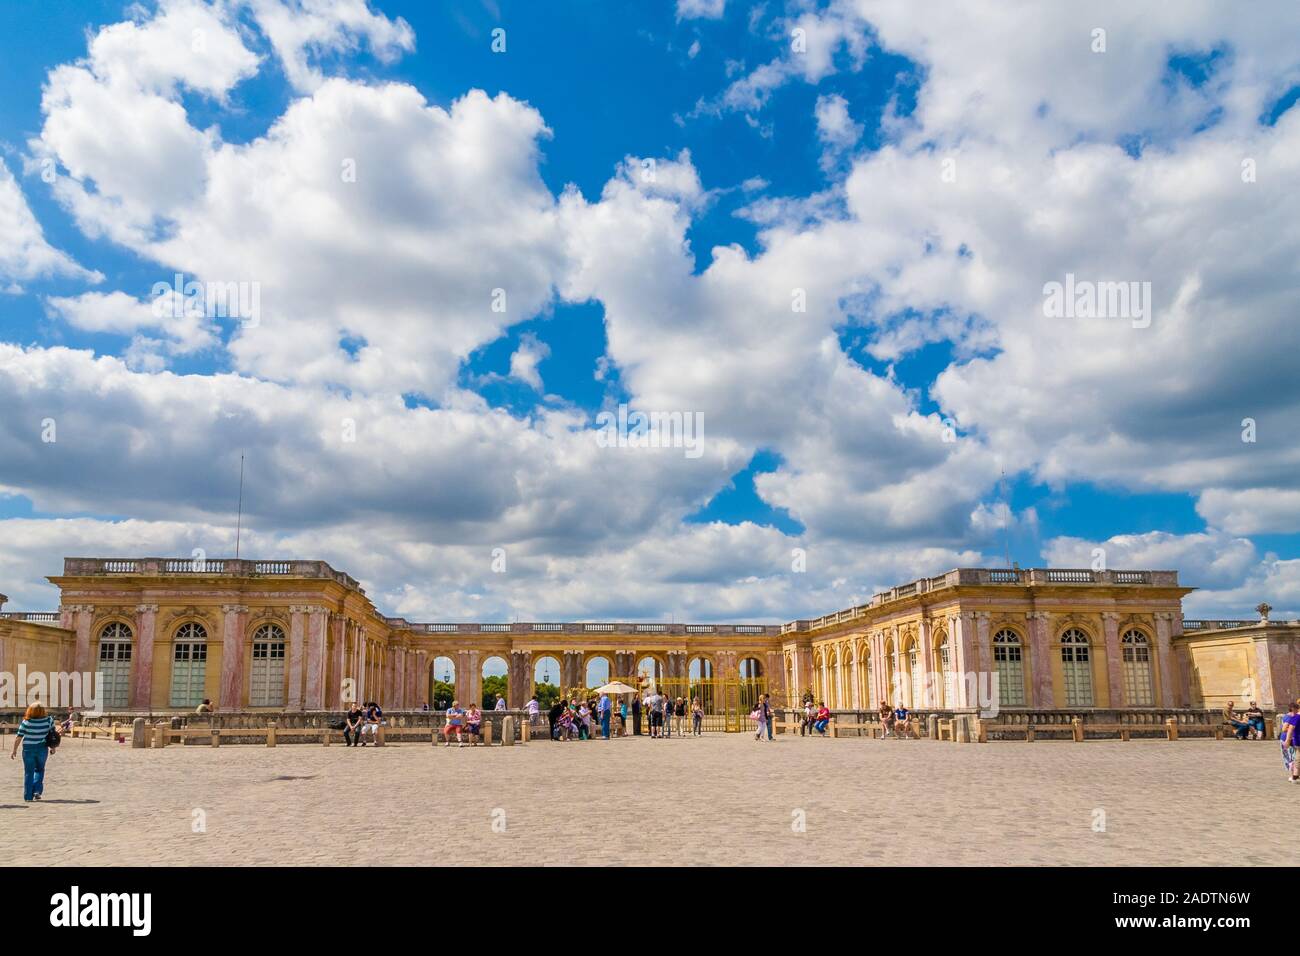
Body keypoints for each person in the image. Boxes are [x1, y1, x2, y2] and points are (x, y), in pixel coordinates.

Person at [10, 701, 54, 802]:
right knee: (39, 769)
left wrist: (14, 750)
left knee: (28, 772)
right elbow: (52, 735)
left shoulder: (26, 722)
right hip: (42, 748)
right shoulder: (48, 720)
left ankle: (28, 796)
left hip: (28, 749)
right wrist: (53, 747)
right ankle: (37, 790)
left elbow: (19, 737)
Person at [1280, 700, 1300, 782]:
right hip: (1287, 739)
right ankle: (1293, 776)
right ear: (1292, 708)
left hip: (1292, 739)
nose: (1298, 709)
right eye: (1297, 707)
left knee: (1294, 757)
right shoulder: (1290, 717)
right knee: (1291, 758)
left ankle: (1295, 776)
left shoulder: (1295, 716)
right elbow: (1284, 729)